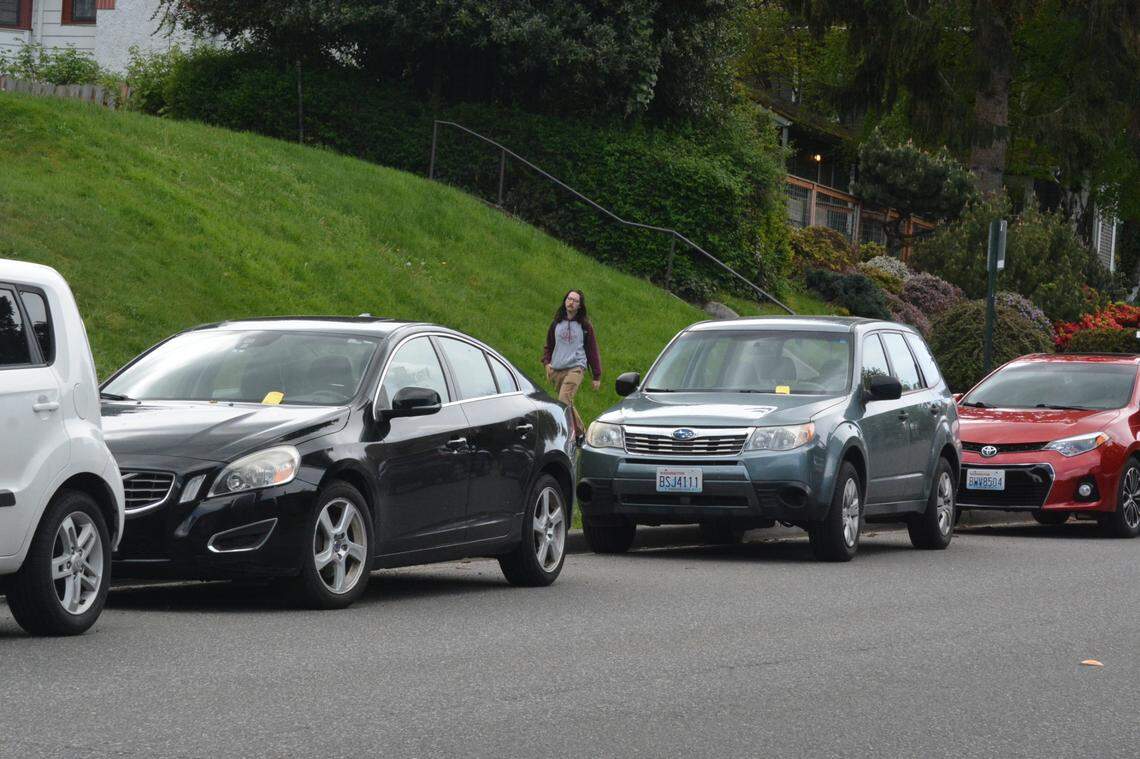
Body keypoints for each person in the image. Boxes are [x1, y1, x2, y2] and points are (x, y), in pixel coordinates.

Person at [542, 289, 602, 441]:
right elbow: (548, 345)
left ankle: (579, 434)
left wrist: (596, 375)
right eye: (569, 299)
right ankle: (580, 433)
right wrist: (547, 363)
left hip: (576, 367)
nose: (571, 302)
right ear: (565, 301)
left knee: (564, 399)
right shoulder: (556, 323)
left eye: (575, 301)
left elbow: (592, 350)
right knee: (566, 402)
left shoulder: (585, 327)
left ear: (580, 306)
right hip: (557, 369)